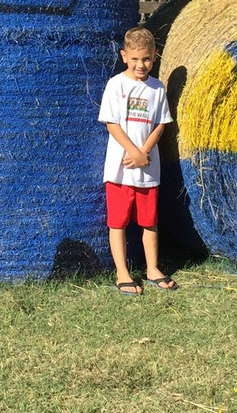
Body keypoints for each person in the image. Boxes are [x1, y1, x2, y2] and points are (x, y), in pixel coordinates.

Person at [98, 26, 177, 295]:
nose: (141, 64)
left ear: (154, 58)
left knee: (149, 220)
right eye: (135, 59)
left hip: (147, 168)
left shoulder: (157, 88)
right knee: (117, 222)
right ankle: (122, 273)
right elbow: (112, 123)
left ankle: (152, 268)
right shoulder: (116, 85)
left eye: (146, 59)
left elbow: (160, 124)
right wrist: (133, 152)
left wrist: (144, 153)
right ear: (124, 56)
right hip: (120, 169)